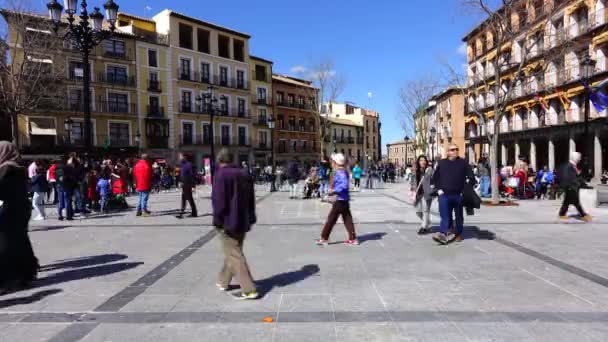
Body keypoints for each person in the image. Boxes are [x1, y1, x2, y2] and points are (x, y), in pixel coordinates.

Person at [212, 149, 258, 300]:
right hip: (243, 218)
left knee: (234, 253)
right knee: (233, 250)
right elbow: (251, 197)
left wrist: (218, 220)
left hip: (228, 221)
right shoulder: (244, 173)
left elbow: (219, 202)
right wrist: (251, 216)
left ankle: (249, 289)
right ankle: (223, 281)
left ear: (220, 160)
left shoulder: (221, 175)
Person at [0, 141, 39, 294]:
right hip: (20, 209)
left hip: (8, 210)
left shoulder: (7, 169)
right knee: (20, 240)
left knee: (6, 244)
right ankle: (25, 274)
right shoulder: (18, 167)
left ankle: (9, 279)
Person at [430, 144, 475, 244]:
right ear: (447, 152)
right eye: (452, 150)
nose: (455, 151)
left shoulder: (463, 163)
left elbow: (472, 178)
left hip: (458, 195)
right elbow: (434, 179)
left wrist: (465, 190)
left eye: (456, 149)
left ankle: (458, 234)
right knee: (445, 215)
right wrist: (438, 190)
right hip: (444, 195)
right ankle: (443, 233)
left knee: (459, 216)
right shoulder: (442, 163)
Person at [316, 153, 359, 246]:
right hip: (344, 199)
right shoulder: (343, 171)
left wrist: (333, 191)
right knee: (347, 219)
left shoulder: (340, 172)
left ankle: (324, 238)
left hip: (339, 200)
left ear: (335, 162)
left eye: (332, 161)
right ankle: (353, 239)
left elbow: (343, 185)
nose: (331, 163)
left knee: (331, 219)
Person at [558, 152, 592, 221]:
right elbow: (569, 177)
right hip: (570, 187)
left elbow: (575, 177)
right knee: (576, 202)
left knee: (567, 202)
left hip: (571, 187)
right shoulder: (569, 166)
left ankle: (561, 214)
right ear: (575, 158)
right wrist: (574, 184)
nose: (580, 159)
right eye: (579, 158)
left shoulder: (572, 166)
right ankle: (583, 215)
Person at [410, 155, 434, 235]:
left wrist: (434, 188)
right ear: (418, 162)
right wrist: (412, 191)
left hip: (427, 193)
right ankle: (427, 221)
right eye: (421, 160)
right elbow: (413, 181)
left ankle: (424, 227)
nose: (423, 162)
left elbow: (434, 179)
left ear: (426, 161)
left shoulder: (429, 169)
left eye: (424, 160)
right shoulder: (415, 170)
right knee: (418, 211)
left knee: (425, 210)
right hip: (418, 193)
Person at [55, 156, 76, 221]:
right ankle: (68, 216)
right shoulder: (69, 168)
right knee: (67, 202)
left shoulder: (57, 169)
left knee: (60, 201)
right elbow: (73, 178)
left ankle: (60, 215)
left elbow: (57, 178)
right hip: (67, 187)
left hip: (59, 186)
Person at [177, 153, 197, 218]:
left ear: (184, 157)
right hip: (183, 183)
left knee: (189, 198)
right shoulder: (182, 164)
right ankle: (182, 211)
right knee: (183, 198)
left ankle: (194, 212)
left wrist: (193, 186)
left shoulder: (189, 164)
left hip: (188, 183)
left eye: (180, 156)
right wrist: (180, 181)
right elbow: (181, 174)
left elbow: (192, 176)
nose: (179, 158)